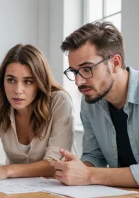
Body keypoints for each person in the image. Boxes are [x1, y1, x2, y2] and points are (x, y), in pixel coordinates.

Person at [0, 44, 74, 183]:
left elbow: (55, 164)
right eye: (11, 80)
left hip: (59, 187)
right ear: (2, 80)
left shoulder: (60, 101)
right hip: (16, 187)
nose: (18, 90)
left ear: (40, 82)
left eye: (28, 81)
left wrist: (6, 170)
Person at [51, 21, 139, 188]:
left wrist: (90, 175)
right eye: (74, 72)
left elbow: (92, 174)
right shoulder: (90, 102)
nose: (78, 81)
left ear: (115, 63)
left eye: (87, 69)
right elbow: (95, 156)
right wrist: (75, 169)